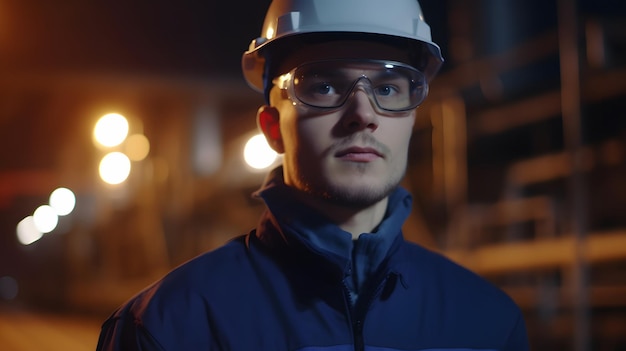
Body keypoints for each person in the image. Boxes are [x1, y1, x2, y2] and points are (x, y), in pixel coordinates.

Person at [97, 0, 529, 350]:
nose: (363, 114)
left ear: (412, 118)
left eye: (388, 88)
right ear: (272, 128)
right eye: (323, 86)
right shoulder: (167, 327)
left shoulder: (488, 324)